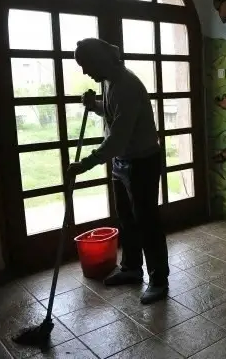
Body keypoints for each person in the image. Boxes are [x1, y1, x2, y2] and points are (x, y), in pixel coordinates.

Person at [67, 37, 169, 305]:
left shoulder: (127, 85)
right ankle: (132, 268)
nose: (84, 72)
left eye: (86, 65)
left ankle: (159, 280)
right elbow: (115, 112)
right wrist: (95, 106)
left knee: (147, 222)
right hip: (122, 162)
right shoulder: (109, 81)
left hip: (142, 161)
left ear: (100, 61)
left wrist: (86, 163)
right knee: (127, 219)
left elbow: (118, 139)